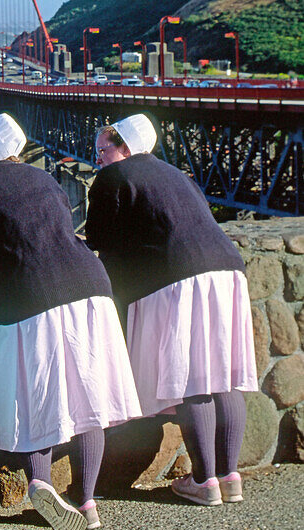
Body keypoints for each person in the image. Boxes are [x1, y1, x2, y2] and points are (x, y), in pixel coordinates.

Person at [0, 113, 141, 530]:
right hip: (90, 287)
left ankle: (40, 484)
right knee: (90, 403)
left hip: (27, 295)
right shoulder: (46, 180)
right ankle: (87, 501)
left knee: (34, 394)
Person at [85, 114, 258, 506]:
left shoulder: (114, 178)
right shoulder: (177, 174)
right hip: (226, 270)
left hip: (174, 276)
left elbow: (98, 236)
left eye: (103, 150)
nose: (98, 159)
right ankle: (230, 477)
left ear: (124, 148)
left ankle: (204, 481)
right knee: (222, 374)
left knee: (193, 377)